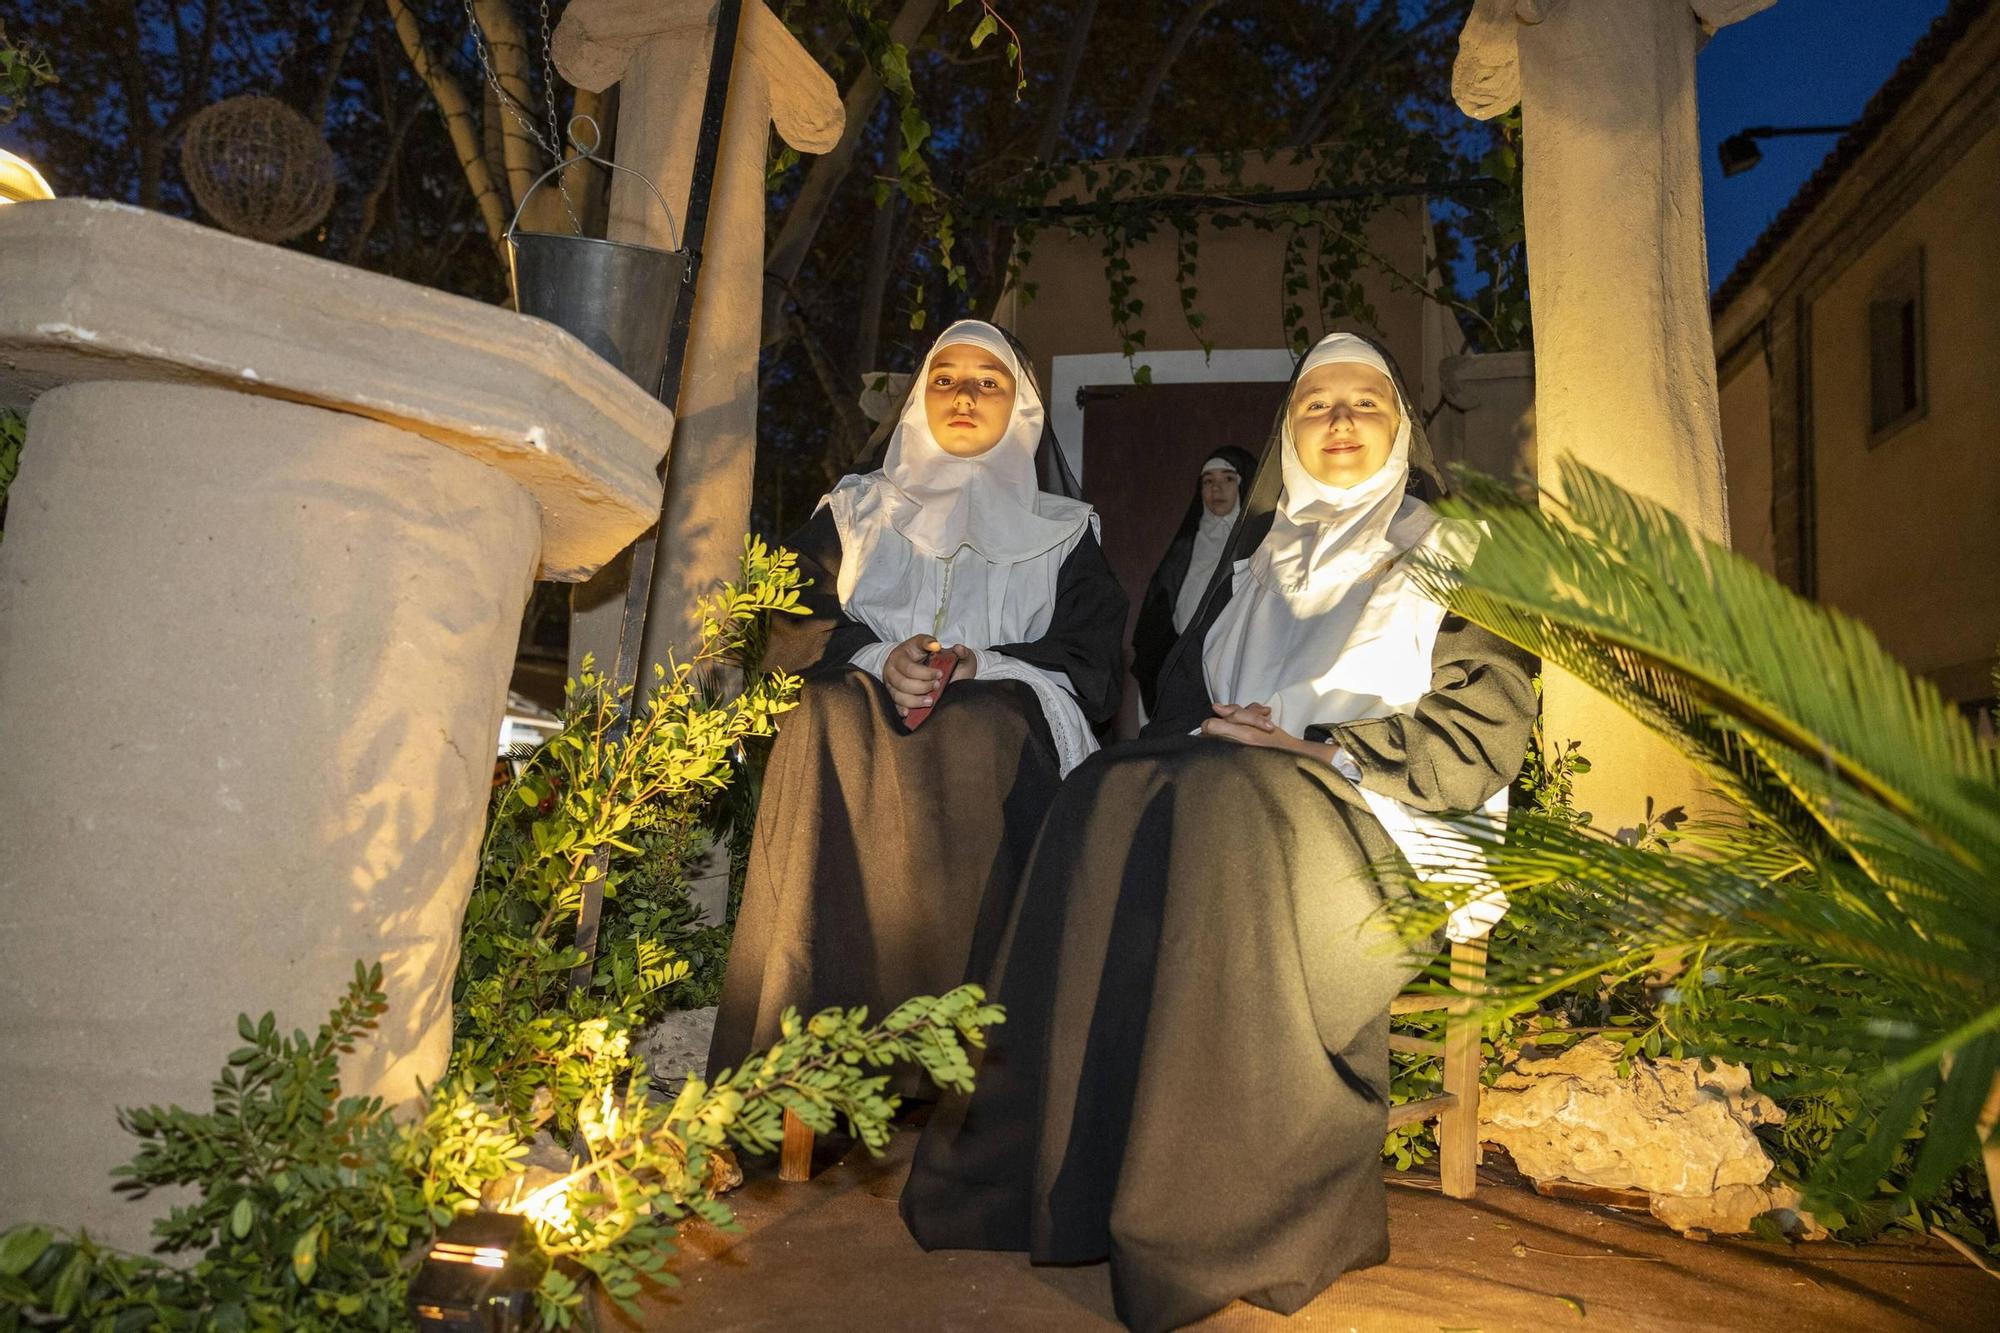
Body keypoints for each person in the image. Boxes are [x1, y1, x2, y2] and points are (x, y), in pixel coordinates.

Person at [900, 332, 1536, 1332]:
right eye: (1314, 403)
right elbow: (1182, 710)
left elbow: (1481, 731)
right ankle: (1044, 1179)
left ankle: (1215, 1223)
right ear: (1287, 431)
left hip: (1384, 822)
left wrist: (1315, 743)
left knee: (1227, 805)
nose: (1334, 420)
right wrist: (1167, 761)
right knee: (1102, 791)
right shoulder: (1255, 558)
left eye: (1360, 402)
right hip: (1239, 794)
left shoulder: (1461, 553)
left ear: (1399, 430)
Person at [707, 320, 1127, 1086]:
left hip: (999, 731)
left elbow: (1091, 663)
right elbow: (794, 625)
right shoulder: (852, 513)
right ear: (919, 401)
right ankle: (802, 1060)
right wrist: (876, 658)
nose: (963, 393)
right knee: (826, 714)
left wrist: (983, 663)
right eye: (945, 377)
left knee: (979, 725)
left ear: (1021, 410)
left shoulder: (1067, 533)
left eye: (988, 381)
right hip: (859, 726)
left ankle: (981, 1068)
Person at [1128, 445, 1257, 715]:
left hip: (1239, 661)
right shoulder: (1187, 545)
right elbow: (1158, 612)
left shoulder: (1257, 545)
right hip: (1185, 661)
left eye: (1227, 479)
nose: (1216, 489)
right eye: (1208, 481)